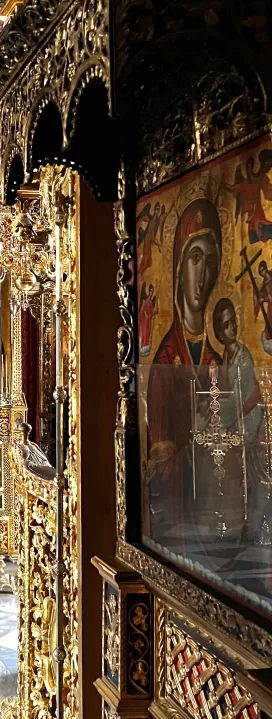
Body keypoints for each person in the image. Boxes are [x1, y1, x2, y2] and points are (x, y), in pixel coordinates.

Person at [145, 198, 223, 538]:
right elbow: (158, 465)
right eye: (195, 258)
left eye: (210, 261)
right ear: (178, 267)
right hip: (179, 526)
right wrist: (193, 447)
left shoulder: (216, 361)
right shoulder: (165, 362)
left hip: (216, 520)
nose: (202, 275)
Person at [213, 298, 268, 541]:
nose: (232, 328)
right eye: (226, 325)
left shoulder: (243, 357)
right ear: (219, 332)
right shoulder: (227, 356)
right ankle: (247, 524)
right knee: (244, 476)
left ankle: (256, 526)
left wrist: (222, 415)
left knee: (255, 476)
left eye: (233, 322)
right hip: (238, 417)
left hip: (250, 417)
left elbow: (241, 398)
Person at [139, 283, 157, 357]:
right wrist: (146, 314)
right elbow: (142, 310)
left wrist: (154, 313)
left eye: (152, 291)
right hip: (144, 320)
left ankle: (145, 350)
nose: (151, 292)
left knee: (147, 334)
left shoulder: (150, 301)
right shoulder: (146, 300)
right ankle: (142, 349)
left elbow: (151, 312)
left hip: (148, 321)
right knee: (144, 333)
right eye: (150, 291)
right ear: (149, 291)